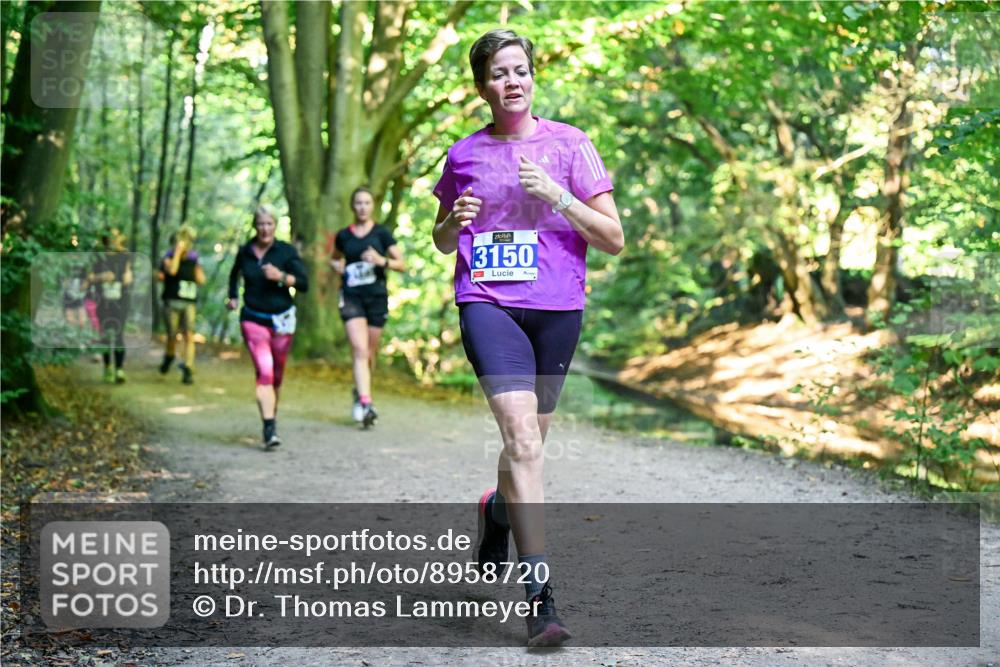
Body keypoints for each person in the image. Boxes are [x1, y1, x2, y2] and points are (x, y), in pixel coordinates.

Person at [431, 29, 623, 647]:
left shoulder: (571, 145)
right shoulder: (463, 154)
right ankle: (540, 596)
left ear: (533, 76)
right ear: (482, 85)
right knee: (521, 439)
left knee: (528, 447)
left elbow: (613, 238)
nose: (511, 81)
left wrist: (559, 195)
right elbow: (441, 239)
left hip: (557, 308)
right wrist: (450, 222)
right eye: (498, 73)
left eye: (520, 70)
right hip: (487, 302)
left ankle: (495, 511)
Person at [227, 205, 309, 449]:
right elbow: (234, 276)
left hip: (282, 320)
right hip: (253, 318)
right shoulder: (245, 251)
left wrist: (281, 277)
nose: (265, 229)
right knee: (264, 371)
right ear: (255, 226)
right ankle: (269, 427)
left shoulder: (286, 251)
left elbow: (303, 283)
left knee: (277, 376)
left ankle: (270, 413)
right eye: (261, 224)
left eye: (269, 224)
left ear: (275, 225)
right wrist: (232, 297)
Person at [330, 187, 405, 427]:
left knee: (369, 354)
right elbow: (334, 258)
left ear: (373, 206)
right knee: (360, 350)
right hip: (352, 297)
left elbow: (401, 264)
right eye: (358, 203)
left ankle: (360, 392)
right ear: (353, 207)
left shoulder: (382, 234)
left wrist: (381, 260)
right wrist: (340, 268)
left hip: (376, 298)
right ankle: (366, 402)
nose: (362, 207)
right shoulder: (344, 235)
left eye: (366, 203)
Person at [158, 225, 206, 384]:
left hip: (189, 302)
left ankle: (188, 366)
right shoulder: (168, 257)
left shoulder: (194, 259)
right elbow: (172, 271)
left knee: (189, 334)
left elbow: (201, 280)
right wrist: (177, 253)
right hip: (172, 301)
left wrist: (197, 267)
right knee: (172, 335)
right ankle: (169, 356)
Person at [89, 229, 134, 384]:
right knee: (106, 334)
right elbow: (89, 278)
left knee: (119, 333)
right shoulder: (98, 256)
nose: (115, 239)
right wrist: (102, 277)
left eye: (117, 235)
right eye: (112, 236)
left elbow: (129, 275)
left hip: (121, 300)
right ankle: (108, 367)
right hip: (103, 301)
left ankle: (119, 369)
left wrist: (126, 278)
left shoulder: (125, 256)